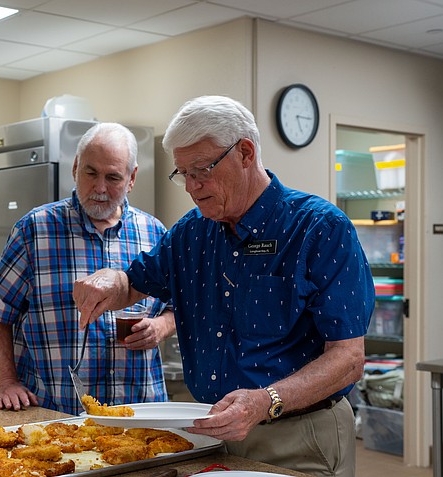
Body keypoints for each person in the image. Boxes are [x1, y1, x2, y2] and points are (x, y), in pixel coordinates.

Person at [73, 96, 374, 477]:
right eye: (182, 173)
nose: (192, 186)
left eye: (202, 170)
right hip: (209, 433)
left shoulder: (319, 228)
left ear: (245, 152)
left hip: (298, 434)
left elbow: (348, 359)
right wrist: (108, 281)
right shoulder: (190, 233)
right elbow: (133, 282)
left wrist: (266, 401)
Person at [0, 122, 175, 416]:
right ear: (75, 168)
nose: (99, 188)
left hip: (141, 415)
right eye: (90, 173)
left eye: (112, 177)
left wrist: (161, 327)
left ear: (132, 178)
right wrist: (6, 382)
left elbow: (180, 306)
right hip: (57, 414)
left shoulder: (154, 233)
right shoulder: (35, 230)